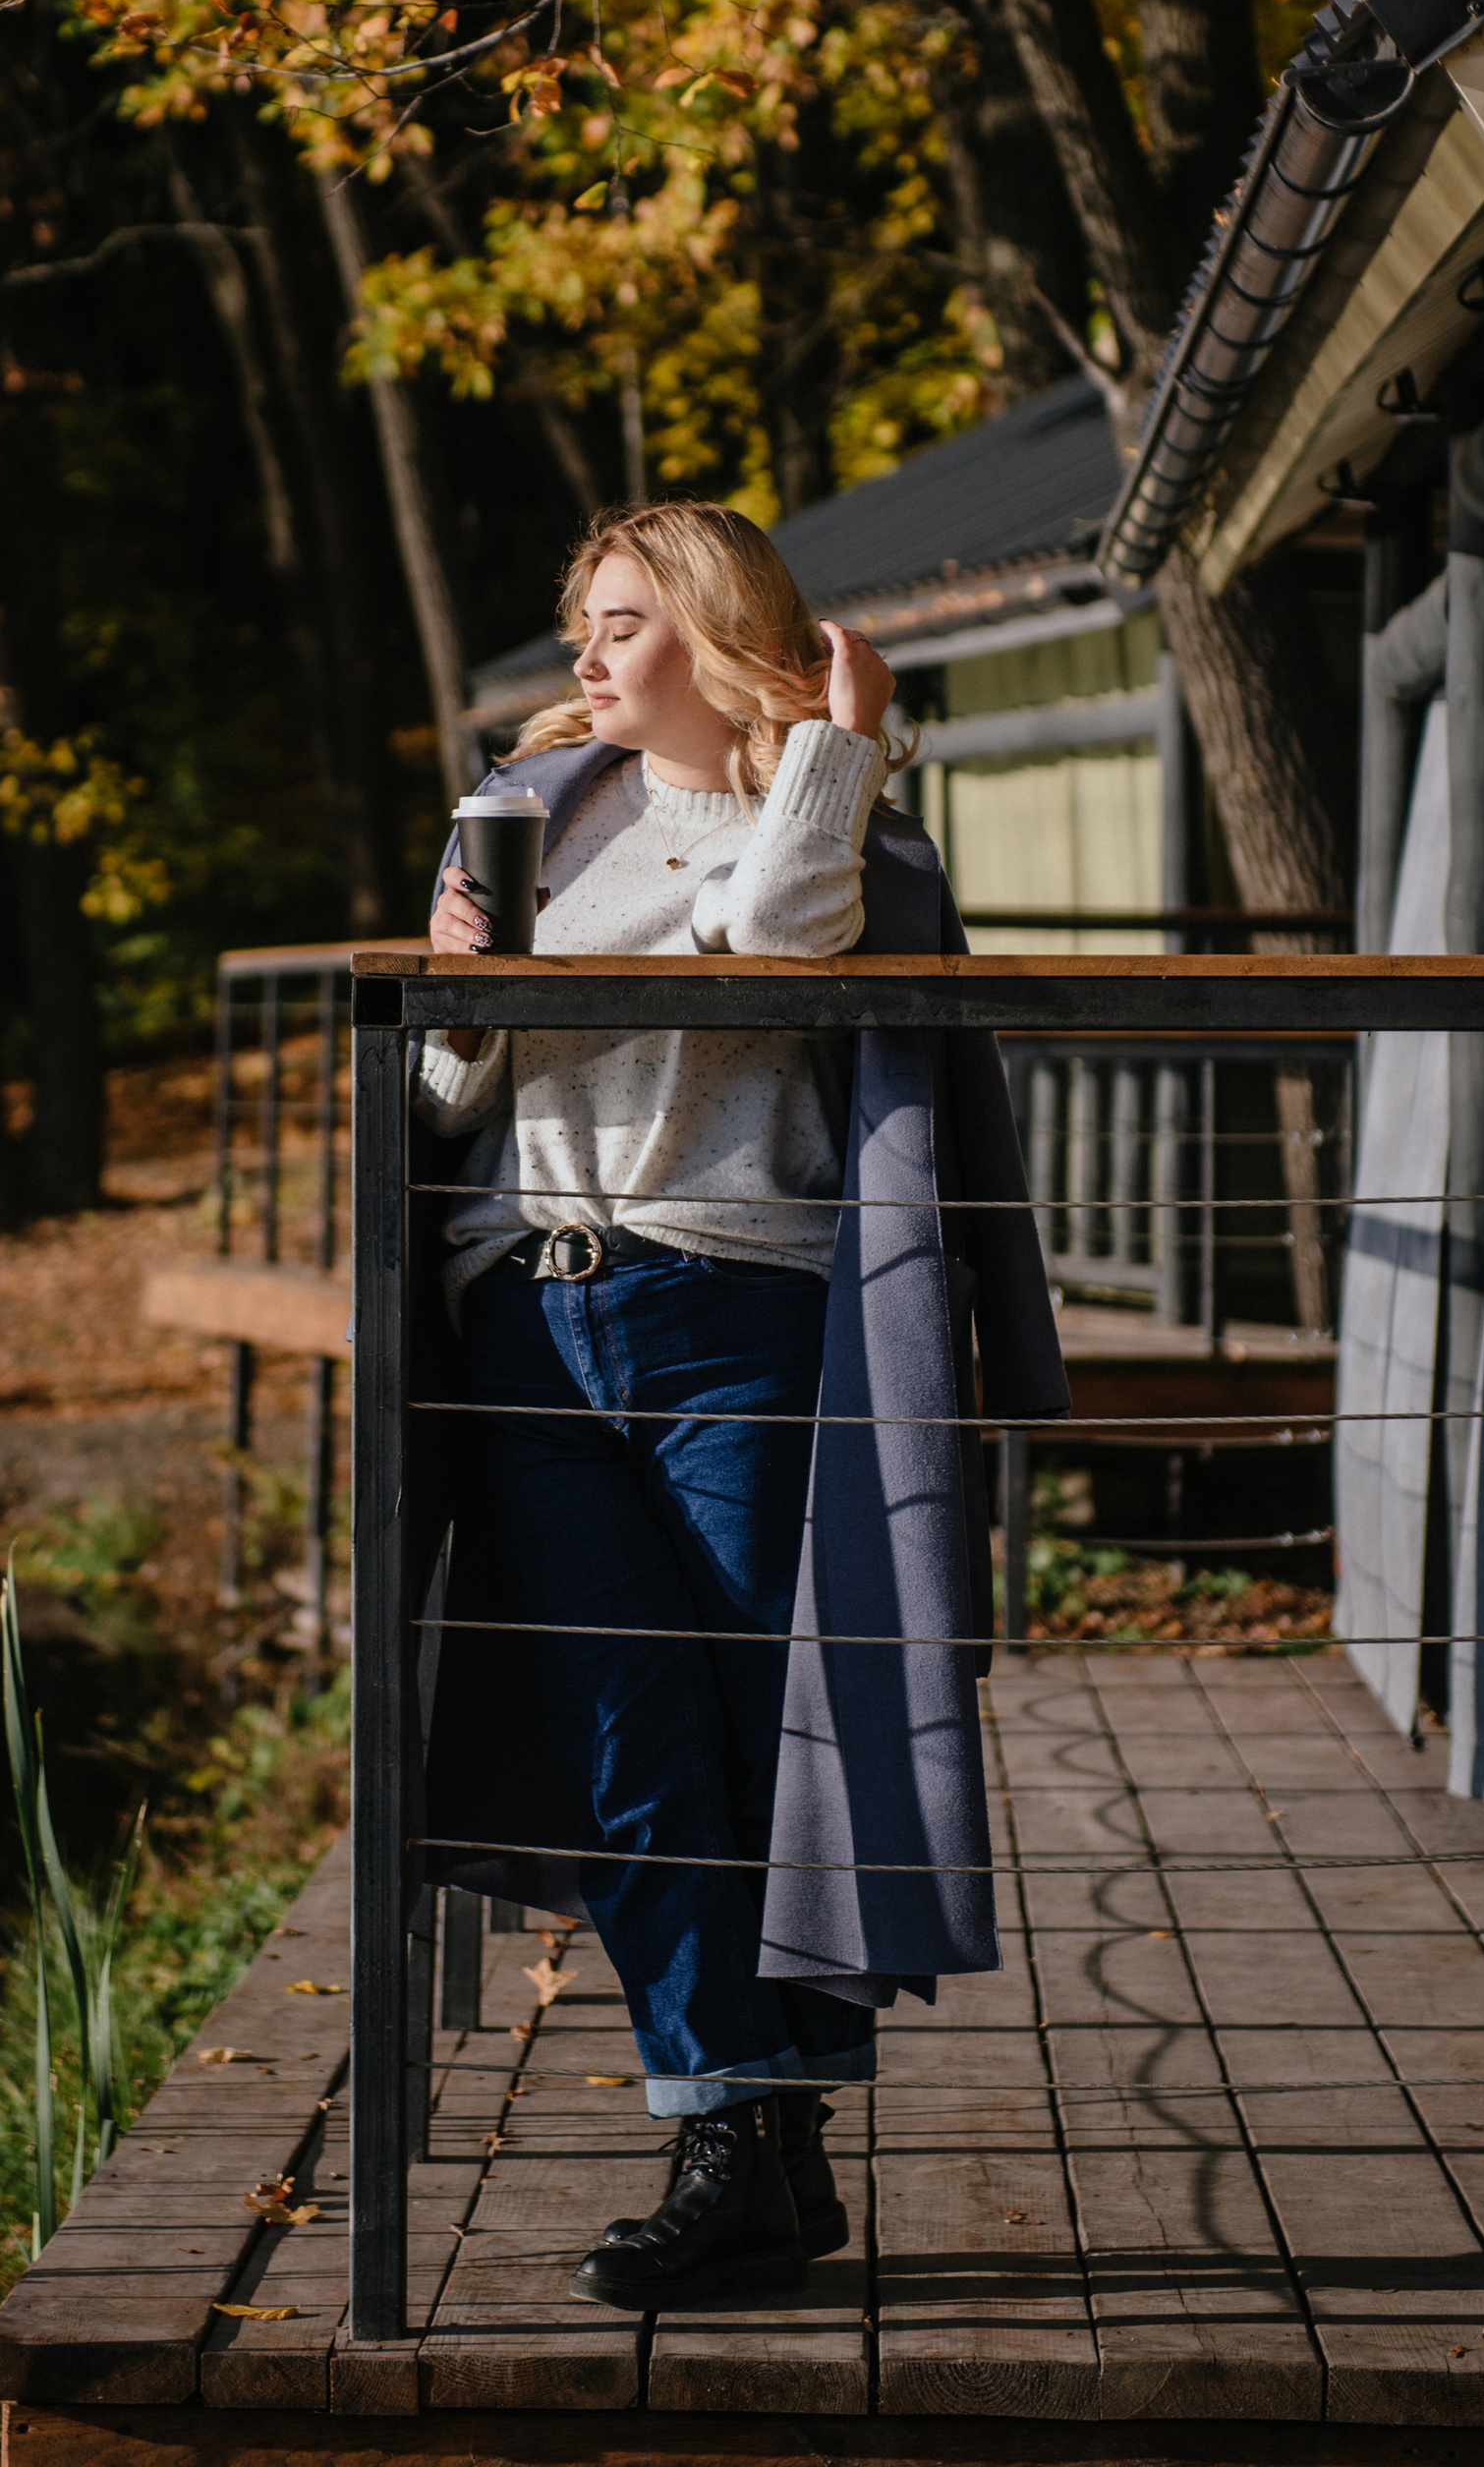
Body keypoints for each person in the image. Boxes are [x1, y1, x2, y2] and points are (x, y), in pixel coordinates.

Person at [416, 499, 1065, 2310]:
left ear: (714, 631)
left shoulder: (833, 829)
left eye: (623, 620)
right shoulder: (529, 816)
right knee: (627, 1738)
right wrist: (460, 990)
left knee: (769, 1735)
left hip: (734, 1315)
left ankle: (754, 2145)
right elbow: (450, 1097)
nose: (586, 653)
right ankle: (739, 2128)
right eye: (585, 620)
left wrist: (838, 742)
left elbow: (781, 933)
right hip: (527, 1313)